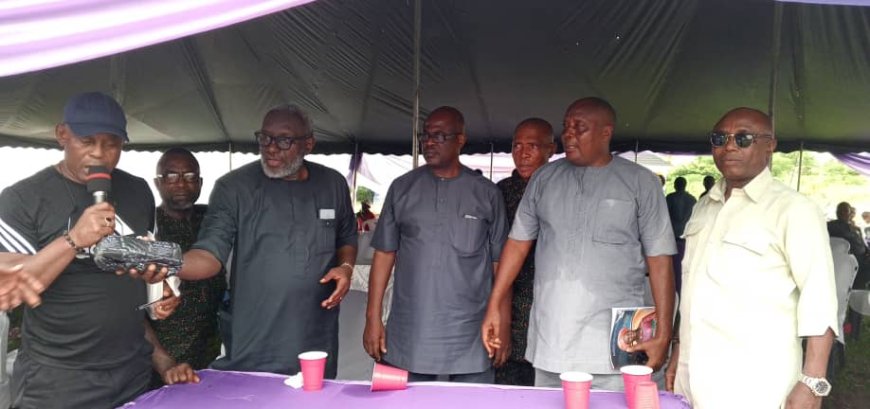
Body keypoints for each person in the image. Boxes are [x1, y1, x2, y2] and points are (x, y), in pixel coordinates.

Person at [0, 92, 182, 408]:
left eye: (111, 144)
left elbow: (132, 287)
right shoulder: (22, 199)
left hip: (131, 374)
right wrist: (73, 240)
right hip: (57, 382)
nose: (99, 154)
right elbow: (12, 284)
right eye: (87, 141)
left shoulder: (138, 191)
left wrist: (160, 292)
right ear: (62, 135)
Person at [481, 97, 676, 390]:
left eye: (579, 127)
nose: (568, 134)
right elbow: (517, 244)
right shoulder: (544, 179)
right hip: (553, 337)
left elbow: (660, 260)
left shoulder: (640, 182)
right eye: (566, 126)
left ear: (605, 133)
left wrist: (663, 330)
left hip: (618, 338)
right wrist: (494, 304)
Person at [671, 108, 838, 409]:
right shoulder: (704, 208)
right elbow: (693, 294)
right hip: (691, 378)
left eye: (743, 138)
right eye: (720, 138)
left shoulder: (794, 210)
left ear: (770, 145)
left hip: (754, 384)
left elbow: (820, 299)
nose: (730, 146)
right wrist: (677, 355)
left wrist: (812, 382)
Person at [176, 104, 357, 378]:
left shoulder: (332, 184)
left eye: (284, 140)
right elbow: (209, 256)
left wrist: (345, 267)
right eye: (265, 138)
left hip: (316, 333)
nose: (271, 148)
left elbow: (346, 235)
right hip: (255, 338)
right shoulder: (234, 187)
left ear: (308, 144)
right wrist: (161, 259)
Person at [363, 106, 508, 383]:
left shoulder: (487, 193)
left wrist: (504, 321)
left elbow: (499, 264)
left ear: (461, 140)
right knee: (404, 404)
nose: (429, 142)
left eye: (439, 136)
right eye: (425, 135)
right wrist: (372, 318)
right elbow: (384, 254)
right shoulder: (402, 188)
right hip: (410, 330)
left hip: (472, 332)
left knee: (473, 405)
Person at [149, 148, 226, 378]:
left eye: (190, 176)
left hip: (211, 347)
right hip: (161, 354)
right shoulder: (147, 225)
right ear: (158, 182)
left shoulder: (214, 222)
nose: (181, 184)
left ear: (201, 183)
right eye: (171, 176)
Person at [494, 118, 554, 386]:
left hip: (553, 307)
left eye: (532, 146)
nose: (523, 153)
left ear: (551, 149)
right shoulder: (501, 192)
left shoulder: (563, 188)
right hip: (510, 302)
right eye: (517, 146)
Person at [665, 176, 696, 293]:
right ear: (685, 185)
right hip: (687, 236)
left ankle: (674, 289)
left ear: (675, 185)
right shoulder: (692, 199)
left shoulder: (670, 198)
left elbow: (664, 216)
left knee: (672, 267)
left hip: (671, 237)